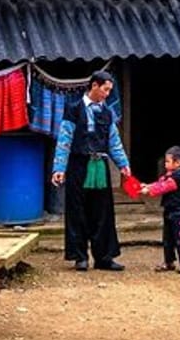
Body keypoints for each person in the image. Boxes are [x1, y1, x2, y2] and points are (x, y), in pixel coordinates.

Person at [51, 70, 132, 272]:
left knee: (103, 211)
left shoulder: (107, 113)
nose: (107, 94)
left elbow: (114, 141)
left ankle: (104, 257)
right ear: (94, 85)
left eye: (109, 91)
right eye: (105, 89)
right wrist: (59, 168)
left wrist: (123, 164)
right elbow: (64, 140)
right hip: (79, 165)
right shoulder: (73, 109)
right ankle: (80, 257)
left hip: (100, 165)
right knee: (77, 210)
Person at [140, 146, 180, 274]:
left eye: (168, 161)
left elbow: (164, 187)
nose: (165, 163)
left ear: (177, 162)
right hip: (169, 211)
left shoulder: (178, 176)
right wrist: (148, 186)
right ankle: (169, 262)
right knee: (167, 239)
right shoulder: (169, 175)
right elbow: (159, 183)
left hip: (178, 212)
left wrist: (149, 191)